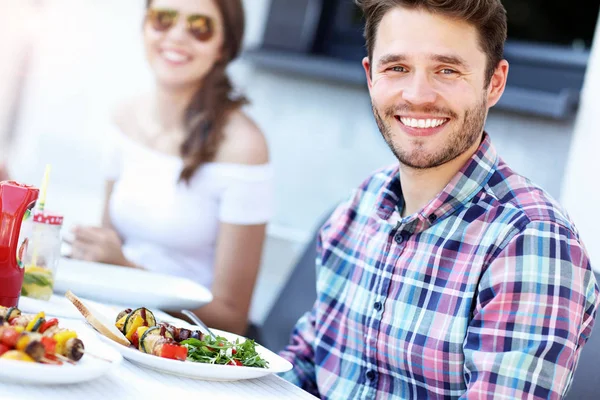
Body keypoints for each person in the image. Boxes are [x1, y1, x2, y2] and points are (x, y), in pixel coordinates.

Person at [279, 0, 599, 398]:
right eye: (397, 68)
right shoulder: (359, 208)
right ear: (371, 77)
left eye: (446, 70)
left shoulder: (531, 240)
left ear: (494, 83)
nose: (417, 95)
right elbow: (307, 364)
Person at [68, 0, 273, 335]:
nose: (177, 36)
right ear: (145, 28)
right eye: (163, 19)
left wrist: (128, 270)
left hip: (182, 344)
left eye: (200, 27)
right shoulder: (124, 117)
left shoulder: (245, 147)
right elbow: (107, 252)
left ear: (223, 46)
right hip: (116, 326)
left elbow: (232, 317)